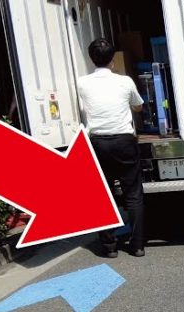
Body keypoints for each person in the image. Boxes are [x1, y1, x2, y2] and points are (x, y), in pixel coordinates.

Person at [77, 38, 146, 258]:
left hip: (99, 142)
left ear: (91, 59)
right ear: (113, 60)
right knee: (133, 193)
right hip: (124, 141)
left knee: (103, 195)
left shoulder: (82, 83)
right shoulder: (125, 82)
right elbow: (138, 105)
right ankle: (137, 245)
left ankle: (109, 247)